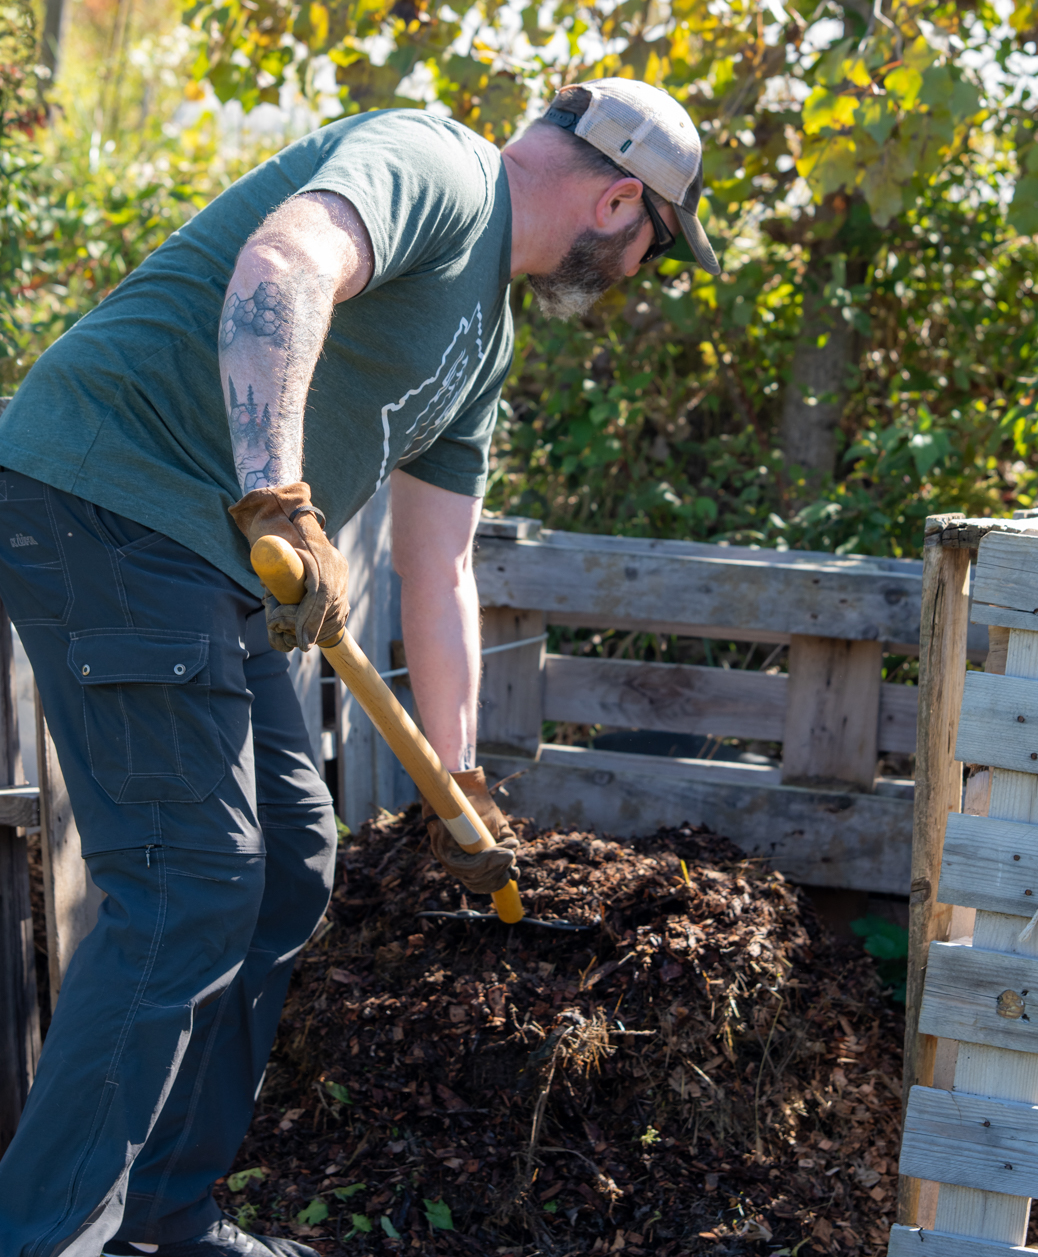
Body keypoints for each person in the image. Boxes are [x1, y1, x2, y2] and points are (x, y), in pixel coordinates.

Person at [0, 77, 718, 1257]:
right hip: (104, 497)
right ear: (619, 202)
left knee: (289, 863)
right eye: (656, 242)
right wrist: (278, 489)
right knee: (190, 877)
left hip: (202, 564)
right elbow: (283, 263)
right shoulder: (434, 166)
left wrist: (463, 780)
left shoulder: (483, 338)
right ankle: (46, 1235)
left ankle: (166, 1220)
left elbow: (439, 570)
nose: (644, 267)